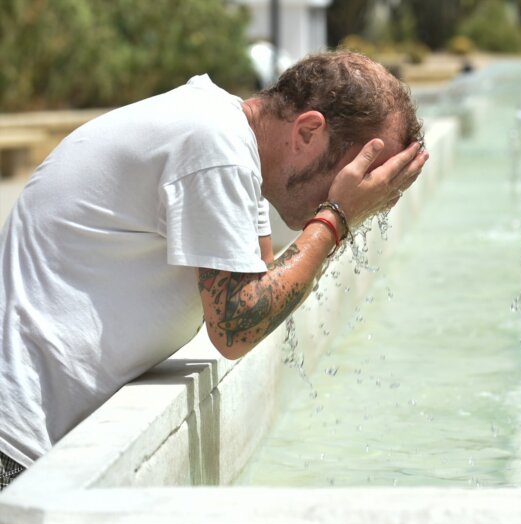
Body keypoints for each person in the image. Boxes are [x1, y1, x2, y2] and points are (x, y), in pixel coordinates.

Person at [0, 51, 428, 490]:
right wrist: (338, 216)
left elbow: (267, 286)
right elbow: (236, 325)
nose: (363, 189)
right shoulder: (214, 145)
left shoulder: (231, 142)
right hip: (12, 447)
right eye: (362, 172)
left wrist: (334, 217)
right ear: (308, 131)